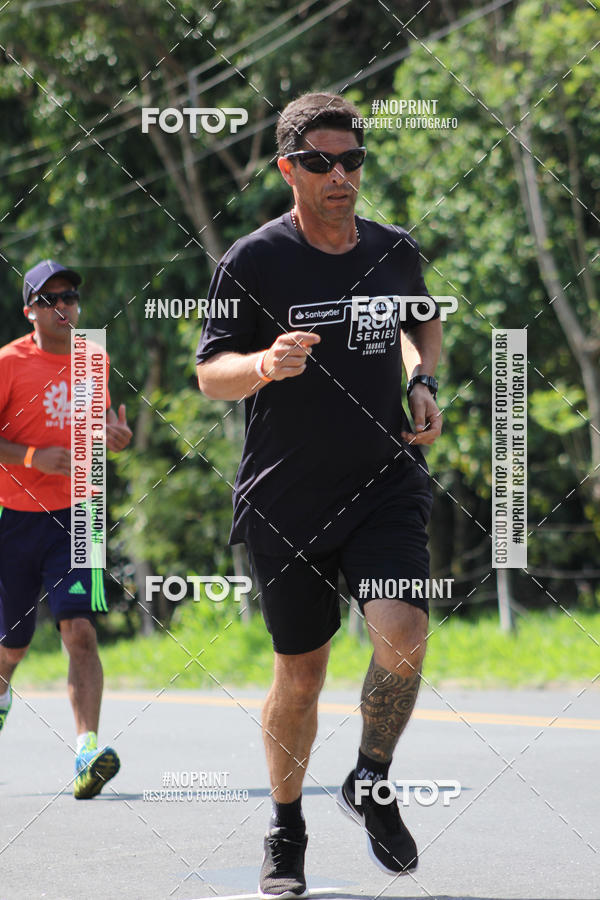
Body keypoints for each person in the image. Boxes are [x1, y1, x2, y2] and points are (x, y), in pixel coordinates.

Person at [196, 92, 443, 898]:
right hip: (288, 500)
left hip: (383, 482)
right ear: (287, 170)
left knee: (403, 633)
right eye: (320, 163)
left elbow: (421, 321)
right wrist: (264, 362)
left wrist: (422, 380)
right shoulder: (255, 261)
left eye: (352, 161)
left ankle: (370, 779)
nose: (340, 177)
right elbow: (209, 375)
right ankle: (286, 823)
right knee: (300, 676)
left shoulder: (393, 249)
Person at [0, 259, 132, 799]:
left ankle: (87, 751)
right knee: (11, 644)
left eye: (71, 297)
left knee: (79, 630)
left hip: (81, 515)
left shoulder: (91, 358)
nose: (65, 307)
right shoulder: (8, 362)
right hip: (15, 516)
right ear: (31, 309)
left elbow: (92, 426)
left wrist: (111, 435)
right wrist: (32, 455)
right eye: (51, 299)